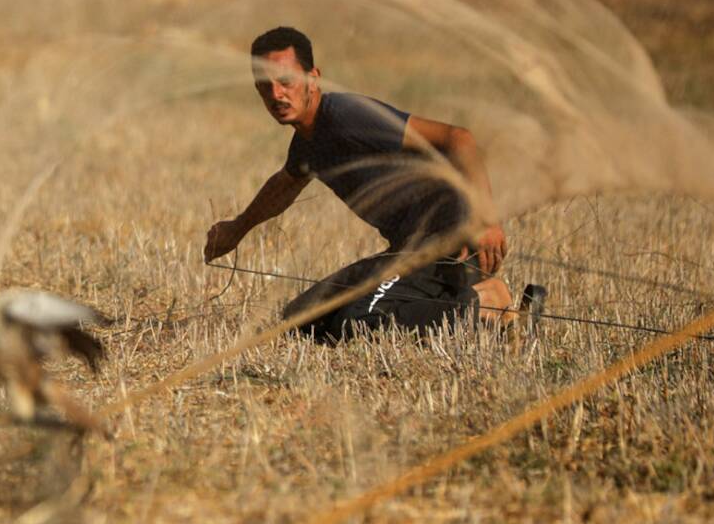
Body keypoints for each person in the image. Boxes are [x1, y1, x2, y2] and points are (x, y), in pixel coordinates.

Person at [204, 26, 523, 342]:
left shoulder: (347, 116)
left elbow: (458, 138)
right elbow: (284, 185)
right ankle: (453, 305)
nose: (276, 95)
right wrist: (236, 229)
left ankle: (486, 301)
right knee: (302, 319)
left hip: (445, 246)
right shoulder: (307, 144)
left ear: (313, 78)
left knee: (358, 322)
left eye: (285, 81)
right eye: (264, 86)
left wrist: (486, 219)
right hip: (406, 254)